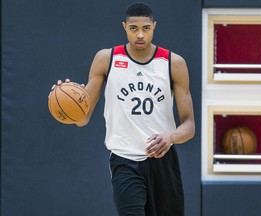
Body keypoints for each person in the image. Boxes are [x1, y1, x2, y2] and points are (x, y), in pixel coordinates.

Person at [51, 2, 195, 216]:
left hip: (163, 160)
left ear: (154, 26)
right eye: (133, 28)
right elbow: (82, 119)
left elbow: (189, 126)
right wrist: (67, 100)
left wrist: (171, 136)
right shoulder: (106, 59)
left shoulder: (174, 63)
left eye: (146, 28)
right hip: (124, 159)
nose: (139, 35)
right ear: (124, 27)